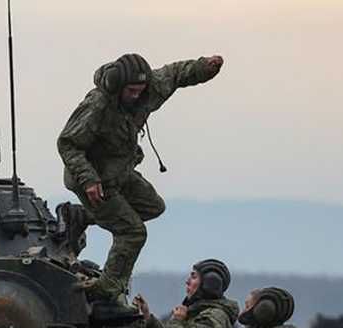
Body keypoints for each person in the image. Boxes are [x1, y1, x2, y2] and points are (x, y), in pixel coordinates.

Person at [58, 53, 223, 304]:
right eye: (131, 91)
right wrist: (89, 179)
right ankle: (108, 287)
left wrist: (205, 67)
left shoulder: (149, 90)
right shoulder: (98, 105)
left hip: (120, 172)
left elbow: (176, 73)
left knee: (153, 207)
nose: (136, 96)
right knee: (133, 232)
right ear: (118, 85)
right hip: (93, 179)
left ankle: (81, 216)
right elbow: (68, 144)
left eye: (140, 90)